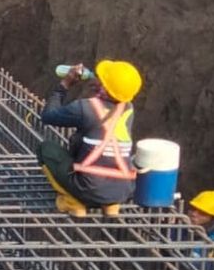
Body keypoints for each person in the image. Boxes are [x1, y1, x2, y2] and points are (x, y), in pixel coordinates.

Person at [36, 60, 142, 217]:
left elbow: (48, 116)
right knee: (91, 145)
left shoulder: (85, 108)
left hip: (88, 189)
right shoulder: (128, 108)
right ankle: (111, 206)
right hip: (123, 190)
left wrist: (64, 85)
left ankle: (74, 201)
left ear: (105, 88)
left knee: (46, 148)